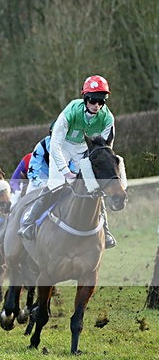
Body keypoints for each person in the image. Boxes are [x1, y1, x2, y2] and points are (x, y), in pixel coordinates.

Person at [18, 75, 116, 248]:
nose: (97, 106)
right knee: (55, 184)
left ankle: (106, 231)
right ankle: (29, 221)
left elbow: (105, 149)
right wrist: (66, 172)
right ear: (85, 98)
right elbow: (55, 145)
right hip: (62, 146)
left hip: (82, 149)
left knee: (93, 187)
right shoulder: (71, 110)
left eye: (102, 101)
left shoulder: (108, 118)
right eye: (93, 100)